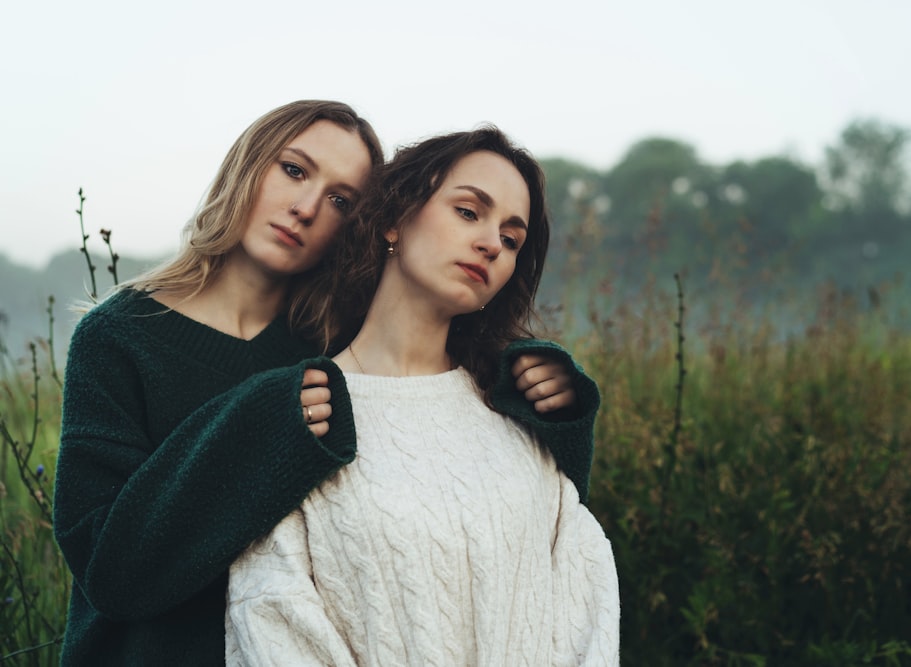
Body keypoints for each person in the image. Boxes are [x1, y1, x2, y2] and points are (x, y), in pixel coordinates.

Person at [53, 101, 600, 666]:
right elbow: (108, 571)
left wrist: (552, 403)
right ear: (248, 164)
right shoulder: (119, 337)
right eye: (293, 170)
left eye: (341, 200)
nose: (307, 207)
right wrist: (259, 426)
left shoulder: (329, 346)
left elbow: (514, 497)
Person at [226, 126, 620, 665]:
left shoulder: (521, 415)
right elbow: (269, 615)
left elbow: (585, 599)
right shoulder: (306, 416)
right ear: (395, 217)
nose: (489, 244)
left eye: (511, 239)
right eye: (467, 212)